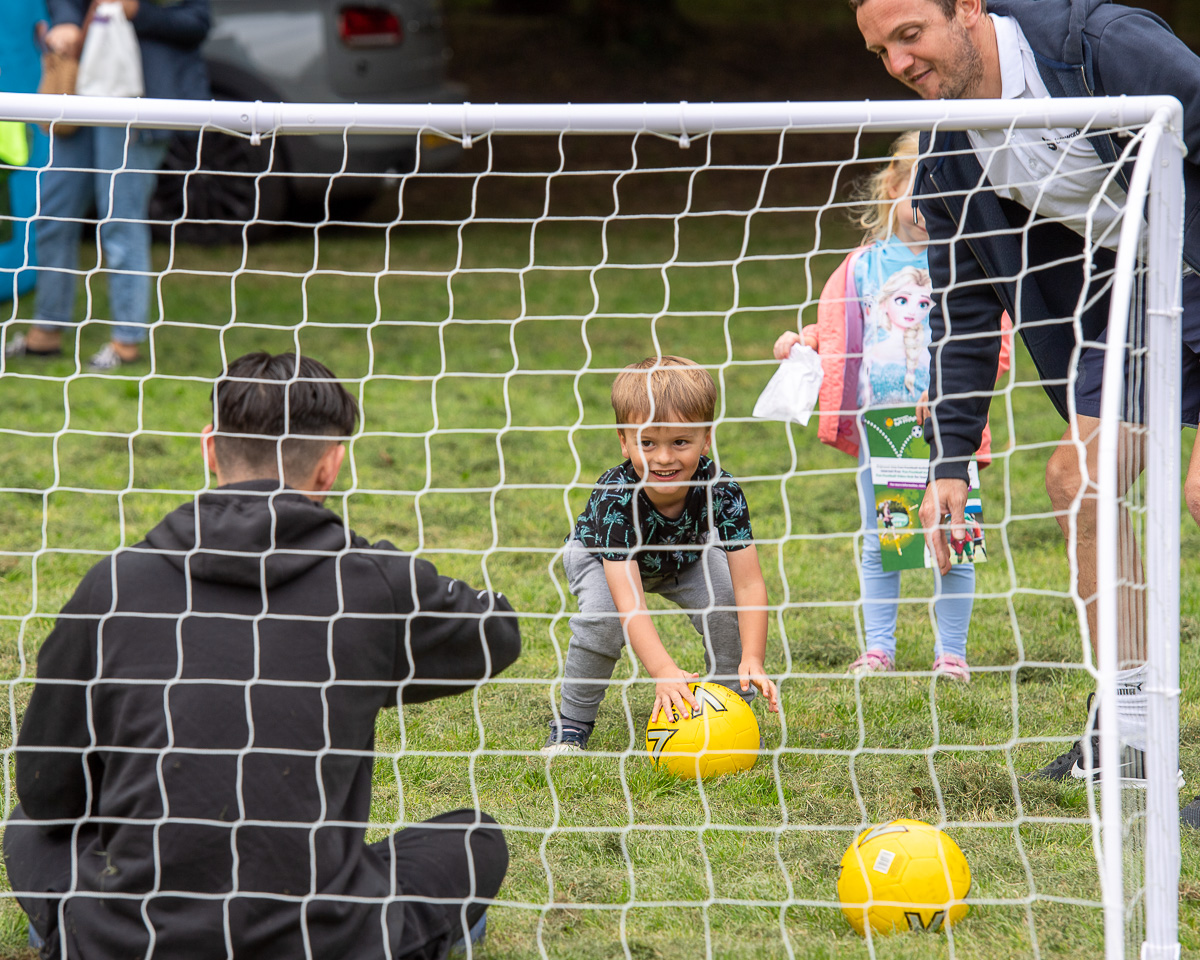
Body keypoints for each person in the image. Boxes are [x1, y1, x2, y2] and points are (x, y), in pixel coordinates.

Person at [3, 351, 521, 959]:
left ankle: (71, 935)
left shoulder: (114, 583)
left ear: (208, 447)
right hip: (318, 942)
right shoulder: (371, 586)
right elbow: (498, 632)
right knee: (474, 837)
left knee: (27, 827)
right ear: (331, 466)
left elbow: (46, 790)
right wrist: (370, 573)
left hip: (129, 940)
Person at [853, 0, 1200, 820]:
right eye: (880, 52)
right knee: (1080, 483)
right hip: (1123, 306)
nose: (900, 64)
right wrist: (948, 459)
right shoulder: (943, 146)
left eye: (911, 35)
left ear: (969, 9)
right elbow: (968, 307)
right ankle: (1133, 735)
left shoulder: (1103, 48)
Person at [773, 131, 1010, 682]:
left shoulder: (968, 264)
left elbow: (993, 345)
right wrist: (803, 342)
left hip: (949, 430)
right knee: (886, 540)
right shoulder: (861, 267)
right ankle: (879, 649)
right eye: (920, 190)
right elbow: (838, 330)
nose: (930, 207)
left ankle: (952, 652)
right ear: (892, 190)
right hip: (883, 428)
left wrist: (952, 393)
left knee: (954, 539)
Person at [541, 355, 780, 754]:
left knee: (725, 606)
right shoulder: (615, 495)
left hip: (685, 556)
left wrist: (753, 656)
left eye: (680, 442)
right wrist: (664, 671)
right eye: (647, 442)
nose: (664, 458)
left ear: (706, 438)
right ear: (624, 440)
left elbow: (749, 581)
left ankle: (728, 706)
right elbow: (629, 601)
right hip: (601, 559)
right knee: (602, 620)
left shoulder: (722, 489)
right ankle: (572, 723)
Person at [4, 0, 210, 371]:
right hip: (78, 94)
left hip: (139, 101)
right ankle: (46, 332)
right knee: (52, 215)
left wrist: (137, 12)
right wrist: (65, 22)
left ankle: (126, 341)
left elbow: (196, 22)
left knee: (120, 219)